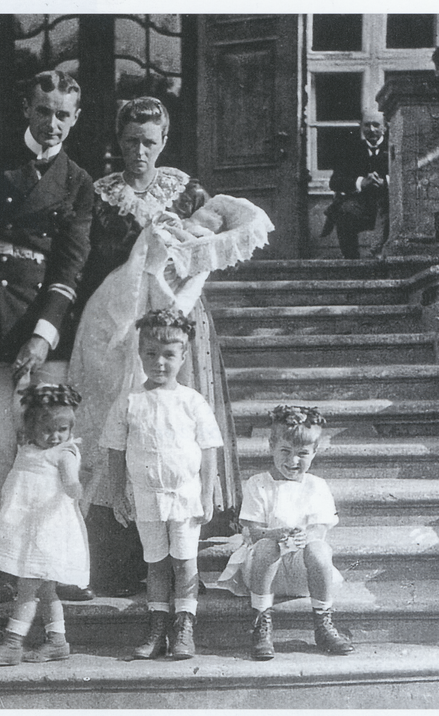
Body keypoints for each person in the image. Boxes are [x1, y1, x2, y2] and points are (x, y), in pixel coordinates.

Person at [68, 97, 272, 599]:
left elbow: (203, 253)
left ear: (163, 143)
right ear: (118, 142)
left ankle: (181, 555)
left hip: (177, 317)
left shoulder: (186, 191)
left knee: (175, 428)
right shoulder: (99, 195)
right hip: (115, 320)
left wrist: (175, 295)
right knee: (120, 421)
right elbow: (88, 263)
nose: (140, 152)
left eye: (149, 143)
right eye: (131, 142)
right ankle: (118, 548)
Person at [0, 70, 93, 604]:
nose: (52, 123)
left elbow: (70, 266)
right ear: (26, 111)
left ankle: (53, 570)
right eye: (43, 110)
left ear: (75, 119)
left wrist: (44, 336)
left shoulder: (78, 182)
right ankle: (8, 570)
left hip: (41, 325)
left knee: (49, 452)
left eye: (63, 115)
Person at [101, 310, 224, 660]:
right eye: (151, 354)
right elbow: (115, 449)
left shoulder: (192, 401)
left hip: (185, 496)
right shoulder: (129, 402)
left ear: (184, 356)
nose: (159, 363)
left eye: (169, 355)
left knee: (184, 562)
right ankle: (157, 625)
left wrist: (207, 492)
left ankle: (183, 626)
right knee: (155, 563)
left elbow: (208, 446)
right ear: (140, 354)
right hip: (146, 496)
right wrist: (117, 494)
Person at [217, 405, 354, 660]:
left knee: (320, 549)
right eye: (285, 451)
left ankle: (323, 622)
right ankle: (261, 622)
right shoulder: (258, 484)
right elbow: (253, 532)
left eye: (302, 453)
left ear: (315, 452)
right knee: (269, 546)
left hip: (302, 572)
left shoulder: (317, 486)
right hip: (263, 568)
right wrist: (276, 534)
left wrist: (306, 538)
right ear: (271, 446)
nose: (293, 461)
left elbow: (320, 529)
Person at [0, 384, 89, 665]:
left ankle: (12, 644)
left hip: (47, 533)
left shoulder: (63, 453)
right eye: (48, 429)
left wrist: (74, 485)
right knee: (47, 590)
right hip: (28, 529)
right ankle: (58, 642)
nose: (55, 436)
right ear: (30, 427)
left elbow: (70, 477)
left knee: (27, 587)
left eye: (62, 429)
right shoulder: (28, 448)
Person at [321, 108, 389, 259]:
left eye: (376, 125)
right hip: (362, 205)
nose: (371, 129)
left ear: (385, 127)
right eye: (367, 125)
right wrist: (361, 182)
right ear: (361, 127)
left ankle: (387, 262)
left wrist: (386, 182)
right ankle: (352, 262)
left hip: (389, 205)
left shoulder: (394, 147)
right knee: (344, 212)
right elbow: (335, 182)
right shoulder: (350, 150)